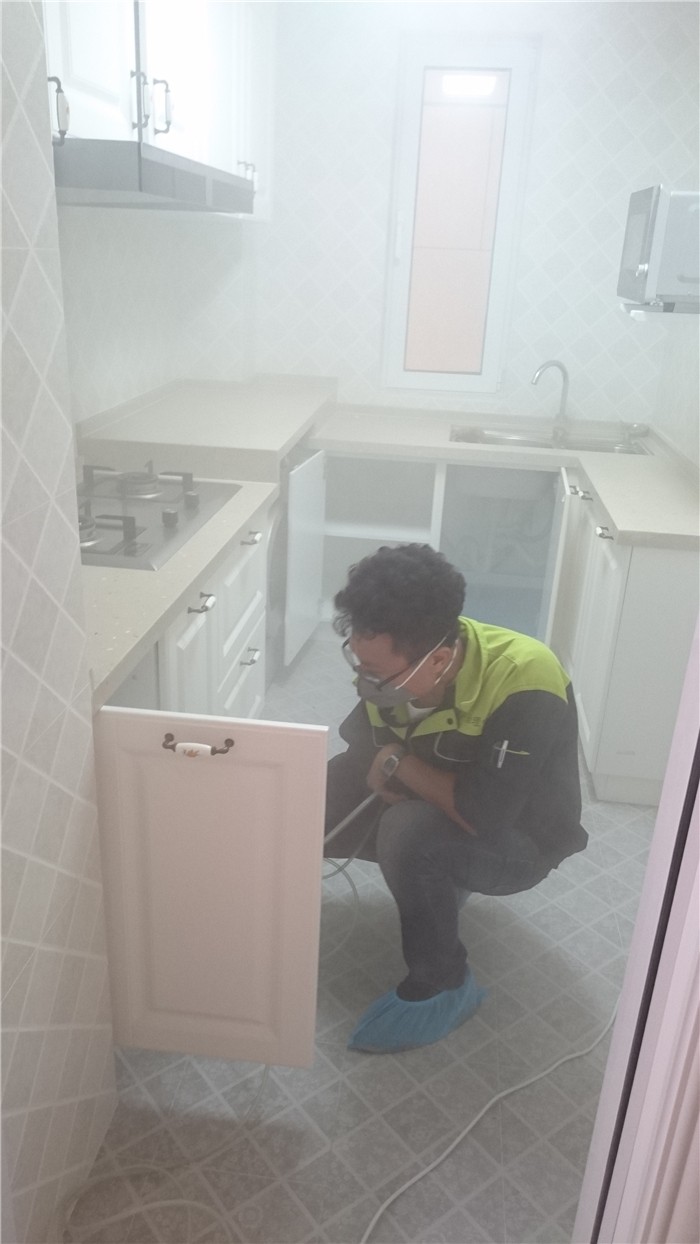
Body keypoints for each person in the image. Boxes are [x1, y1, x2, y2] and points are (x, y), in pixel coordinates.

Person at [324, 543, 588, 1054]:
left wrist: (398, 761)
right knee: (304, 803)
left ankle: (444, 981)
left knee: (409, 835)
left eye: (375, 674)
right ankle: (430, 881)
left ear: (440, 659)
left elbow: (483, 815)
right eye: (357, 662)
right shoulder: (394, 667)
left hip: (518, 838)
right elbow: (364, 746)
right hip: (447, 792)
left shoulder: (527, 679)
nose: (363, 681)